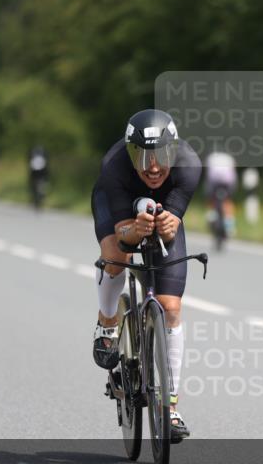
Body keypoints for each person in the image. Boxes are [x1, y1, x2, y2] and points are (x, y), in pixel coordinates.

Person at [90, 109, 201, 441]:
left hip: (161, 210)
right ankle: (107, 322)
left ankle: (170, 405)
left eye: (161, 155)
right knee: (116, 256)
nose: (153, 167)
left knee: (171, 307)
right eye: (142, 156)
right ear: (129, 153)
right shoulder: (114, 166)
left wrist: (169, 224)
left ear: (174, 149)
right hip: (120, 210)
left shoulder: (190, 165)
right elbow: (123, 233)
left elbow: (173, 226)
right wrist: (135, 230)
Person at [203, 149, 238, 238]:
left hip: (214, 182)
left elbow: (207, 172)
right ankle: (230, 225)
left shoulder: (211, 157)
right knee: (228, 200)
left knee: (211, 197)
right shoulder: (229, 158)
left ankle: (211, 215)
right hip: (228, 182)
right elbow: (233, 171)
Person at [28, 145, 49, 210]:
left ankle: (38, 197)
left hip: (37, 175)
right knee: (39, 186)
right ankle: (40, 197)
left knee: (36, 187)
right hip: (39, 175)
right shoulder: (42, 157)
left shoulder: (33, 157)